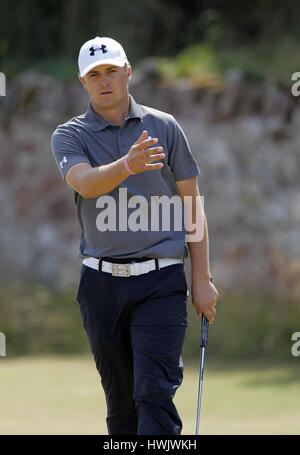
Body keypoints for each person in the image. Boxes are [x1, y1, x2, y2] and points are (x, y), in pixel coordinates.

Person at [51, 36, 218, 435]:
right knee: (122, 407)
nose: (104, 80)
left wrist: (201, 278)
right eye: (94, 75)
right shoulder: (68, 136)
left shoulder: (165, 127)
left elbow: (192, 205)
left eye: (111, 70)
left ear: (127, 72)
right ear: (82, 82)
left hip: (160, 282)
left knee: (154, 395)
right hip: (100, 285)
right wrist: (126, 164)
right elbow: (86, 184)